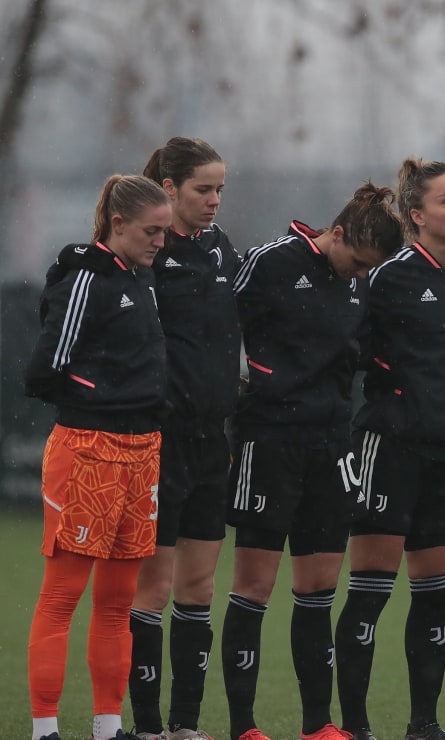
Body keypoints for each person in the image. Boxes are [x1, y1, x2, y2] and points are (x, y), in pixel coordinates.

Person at [221, 183, 403, 740]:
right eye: (356, 262)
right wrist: (248, 380)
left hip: (330, 446)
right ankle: (245, 727)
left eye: (367, 270)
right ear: (338, 232)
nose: (358, 275)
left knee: (319, 590)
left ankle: (317, 725)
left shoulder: (358, 284)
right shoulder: (272, 262)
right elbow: (220, 324)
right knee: (254, 587)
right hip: (269, 441)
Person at [26, 174, 172, 740]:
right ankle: (44, 730)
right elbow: (45, 369)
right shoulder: (86, 276)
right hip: (88, 449)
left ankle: (108, 728)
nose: (160, 241)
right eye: (151, 231)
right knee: (62, 596)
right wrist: (99, 396)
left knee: (118, 603)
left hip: (143, 453)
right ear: (117, 225)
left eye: (164, 231)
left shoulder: (143, 278)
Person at [335, 158, 445, 740]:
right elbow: (348, 351)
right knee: (369, 595)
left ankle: (423, 724)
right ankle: (357, 727)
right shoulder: (388, 278)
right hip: (391, 451)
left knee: (433, 600)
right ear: (417, 215)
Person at [127, 136, 239, 740]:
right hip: (161, 443)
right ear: (169, 190)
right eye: (203, 189)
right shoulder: (148, 252)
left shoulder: (221, 249)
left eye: (220, 188)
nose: (215, 200)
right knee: (155, 587)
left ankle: (185, 726)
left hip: (211, 442)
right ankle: (146, 727)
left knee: (198, 588)